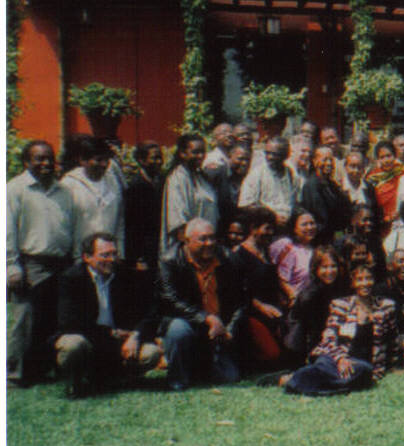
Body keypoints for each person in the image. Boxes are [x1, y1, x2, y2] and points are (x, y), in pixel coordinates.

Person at [54, 233, 160, 398]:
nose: (111, 259)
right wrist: (111, 333)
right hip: (89, 339)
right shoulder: (72, 278)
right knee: (72, 344)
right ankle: (74, 383)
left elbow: (151, 311)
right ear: (87, 257)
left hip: (120, 342)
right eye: (105, 255)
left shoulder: (127, 275)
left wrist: (135, 336)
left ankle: (121, 379)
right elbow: (70, 322)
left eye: (114, 254)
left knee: (151, 352)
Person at [7, 141, 75, 386]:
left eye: (49, 158)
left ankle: (45, 368)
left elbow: (71, 227)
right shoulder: (15, 189)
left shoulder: (64, 191)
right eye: (39, 159)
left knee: (55, 319)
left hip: (61, 263)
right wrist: (11, 267)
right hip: (30, 263)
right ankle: (14, 373)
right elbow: (7, 231)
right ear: (27, 162)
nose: (46, 163)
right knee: (25, 319)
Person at [158, 219, 247, 391]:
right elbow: (169, 300)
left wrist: (230, 329)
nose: (209, 243)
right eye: (203, 239)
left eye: (212, 238)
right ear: (187, 240)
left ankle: (201, 366)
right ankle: (178, 380)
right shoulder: (169, 260)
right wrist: (206, 318)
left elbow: (241, 300)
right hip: (188, 322)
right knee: (178, 330)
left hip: (219, 329)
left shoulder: (229, 259)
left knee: (229, 378)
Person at [282, 264, 398, 396]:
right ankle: (300, 382)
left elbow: (392, 337)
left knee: (364, 371)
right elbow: (329, 337)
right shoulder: (341, 305)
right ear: (353, 283)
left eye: (369, 278)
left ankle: (298, 383)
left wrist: (392, 364)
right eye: (360, 279)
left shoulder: (386, 306)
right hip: (335, 356)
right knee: (325, 366)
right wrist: (341, 359)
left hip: (360, 363)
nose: (365, 283)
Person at [229, 206, 286, 369]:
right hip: (251, 313)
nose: (270, 233)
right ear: (253, 228)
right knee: (272, 356)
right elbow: (238, 291)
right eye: (267, 229)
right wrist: (261, 307)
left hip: (272, 312)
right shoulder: (238, 255)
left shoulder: (265, 250)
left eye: (272, 229)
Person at [282, 245, 349, 365]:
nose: (330, 271)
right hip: (302, 346)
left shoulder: (339, 288)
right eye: (324, 267)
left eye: (333, 266)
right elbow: (310, 332)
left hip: (327, 338)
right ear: (316, 269)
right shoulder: (310, 295)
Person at [61, 136, 125, 259]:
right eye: (99, 160)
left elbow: (120, 221)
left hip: (109, 256)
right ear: (83, 160)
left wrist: (120, 253)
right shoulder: (69, 184)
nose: (104, 164)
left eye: (107, 160)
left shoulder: (113, 182)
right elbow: (64, 225)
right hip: (80, 257)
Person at [159, 134, 219, 260]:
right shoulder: (177, 179)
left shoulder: (200, 176)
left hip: (207, 247)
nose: (201, 156)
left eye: (203, 152)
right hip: (192, 252)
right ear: (183, 153)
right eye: (196, 152)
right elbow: (178, 224)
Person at [239, 136, 300, 229]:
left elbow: (295, 203)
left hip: (287, 228)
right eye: (267, 153)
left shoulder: (292, 175)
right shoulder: (257, 173)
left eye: (275, 154)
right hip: (264, 227)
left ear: (286, 155)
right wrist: (272, 216)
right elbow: (245, 205)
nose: (269, 157)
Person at [124, 141, 164, 271]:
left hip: (161, 246)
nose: (158, 161)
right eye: (154, 158)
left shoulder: (163, 181)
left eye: (160, 157)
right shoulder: (135, 187)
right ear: (141, 160)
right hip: (144, 250)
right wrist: (138, 257)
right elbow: (131, 225)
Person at [300, 145, 352, 244]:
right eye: (324, 160)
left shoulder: (332, 184)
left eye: (331, 160)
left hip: (333, 236)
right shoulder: (312, 186)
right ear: (315, 161)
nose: (328, 163)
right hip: (320, 239)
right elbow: (320, 218)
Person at [269, 209, 318, 303]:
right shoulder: (286, 246)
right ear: (294, 228)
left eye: (312, 223)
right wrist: (293, 297)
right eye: (304, 224)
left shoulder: (314, 250)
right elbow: (280, 278)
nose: (310, 227)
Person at [365, 140, 404, 236]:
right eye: (382, 157)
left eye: (389, 156)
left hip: (403, 221)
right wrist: (385, 219)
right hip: (382, 225)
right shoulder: (372, 178)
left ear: (395, 156)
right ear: (377, 160)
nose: (386, 160)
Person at [337, 204, 387, 279]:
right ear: (353, 221)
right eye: (365, 220)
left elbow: (382, 269)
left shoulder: (376, 242)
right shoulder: (343, 243)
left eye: (371, 220)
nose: (369, 223)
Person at [210, 143, 251, 232]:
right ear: (229, 156)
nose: (244, 163)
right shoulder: (216, 174)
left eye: (248, 160)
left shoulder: (248, 178)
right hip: (218, 226)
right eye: (240, 159)